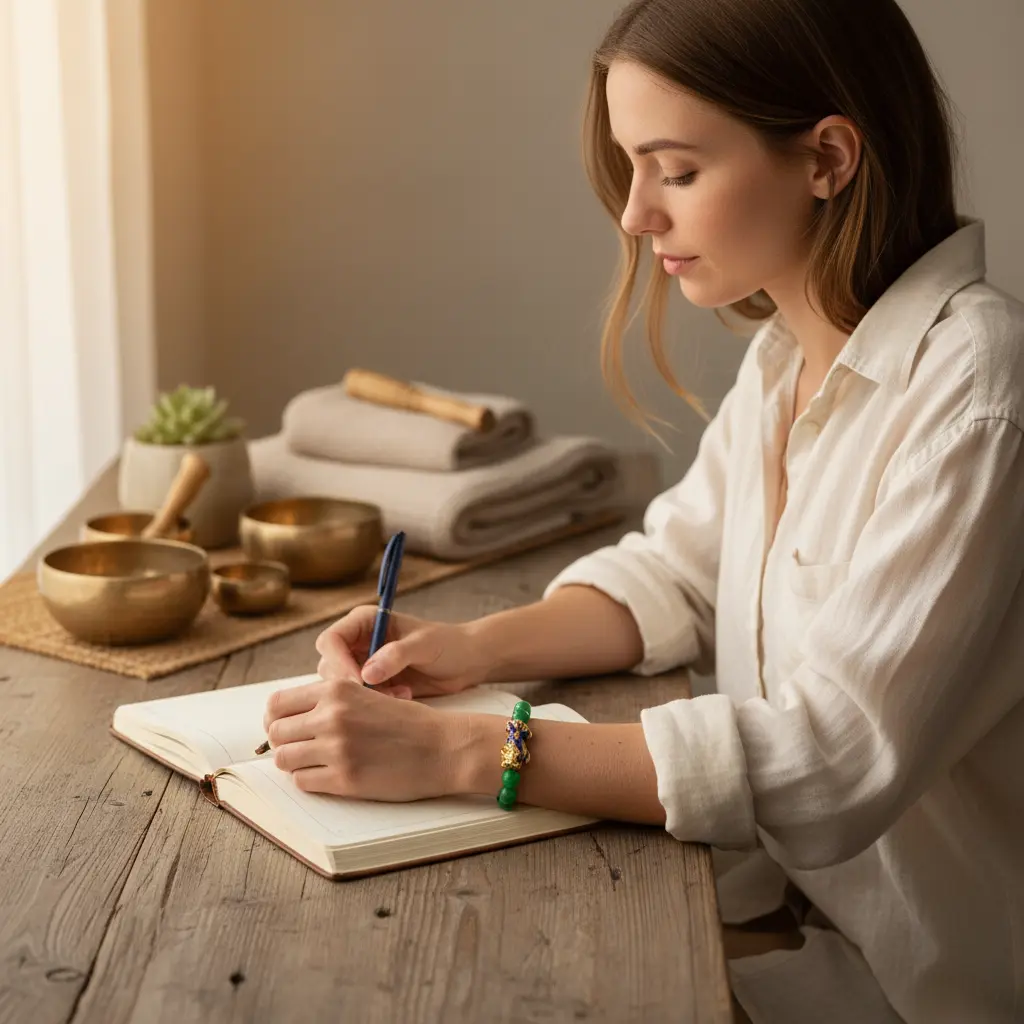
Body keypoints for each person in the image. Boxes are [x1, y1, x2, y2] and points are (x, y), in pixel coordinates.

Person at [261, 1, 1024, 1020]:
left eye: (676, 168)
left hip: (923, 986)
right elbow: (676, 572)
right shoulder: (787, 356)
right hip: (780, 912)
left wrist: (461, 751)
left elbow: (834, 760)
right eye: (630, 167)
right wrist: (470, 649)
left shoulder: (976, 393)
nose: (633, 214)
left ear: (827, 158)